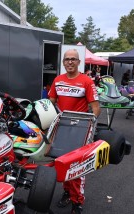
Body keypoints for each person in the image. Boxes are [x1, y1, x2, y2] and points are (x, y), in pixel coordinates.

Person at [48, 49, 101, 214]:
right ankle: (67, 192)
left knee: (77, 167)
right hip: (61, 128)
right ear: (63, 62)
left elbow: (96, 109)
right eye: (67, 59)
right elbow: (50, 103)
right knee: (62, 163)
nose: (70, 62)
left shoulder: (86, 81)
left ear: (79, 62)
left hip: (80, 130)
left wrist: (88, 129)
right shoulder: (58, 80)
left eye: (73, 59)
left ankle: (77, 202)